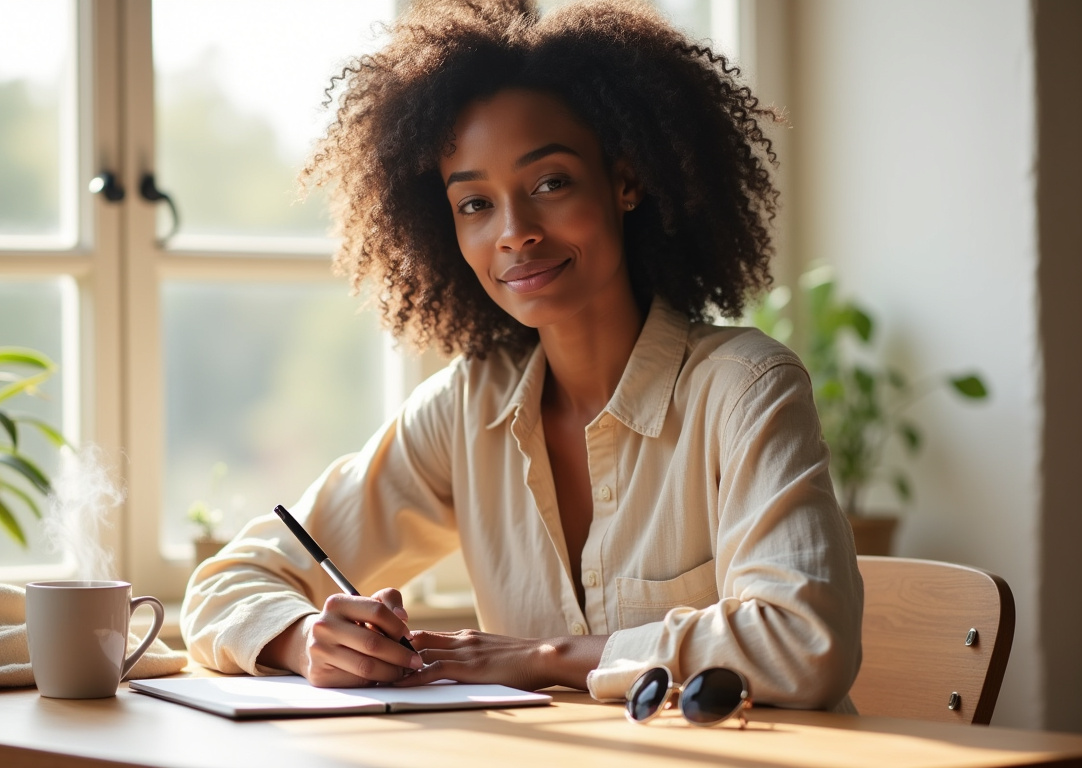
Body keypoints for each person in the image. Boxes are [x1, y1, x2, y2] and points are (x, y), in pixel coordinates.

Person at [182, 0, 863, 710]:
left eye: (549, 183)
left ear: (626, 180)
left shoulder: (746, 390)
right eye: (474, 203)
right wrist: (304, 638)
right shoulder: (466, 410)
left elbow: (803, 643)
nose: (514, 232)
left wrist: (543, 657)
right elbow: (229, 580)